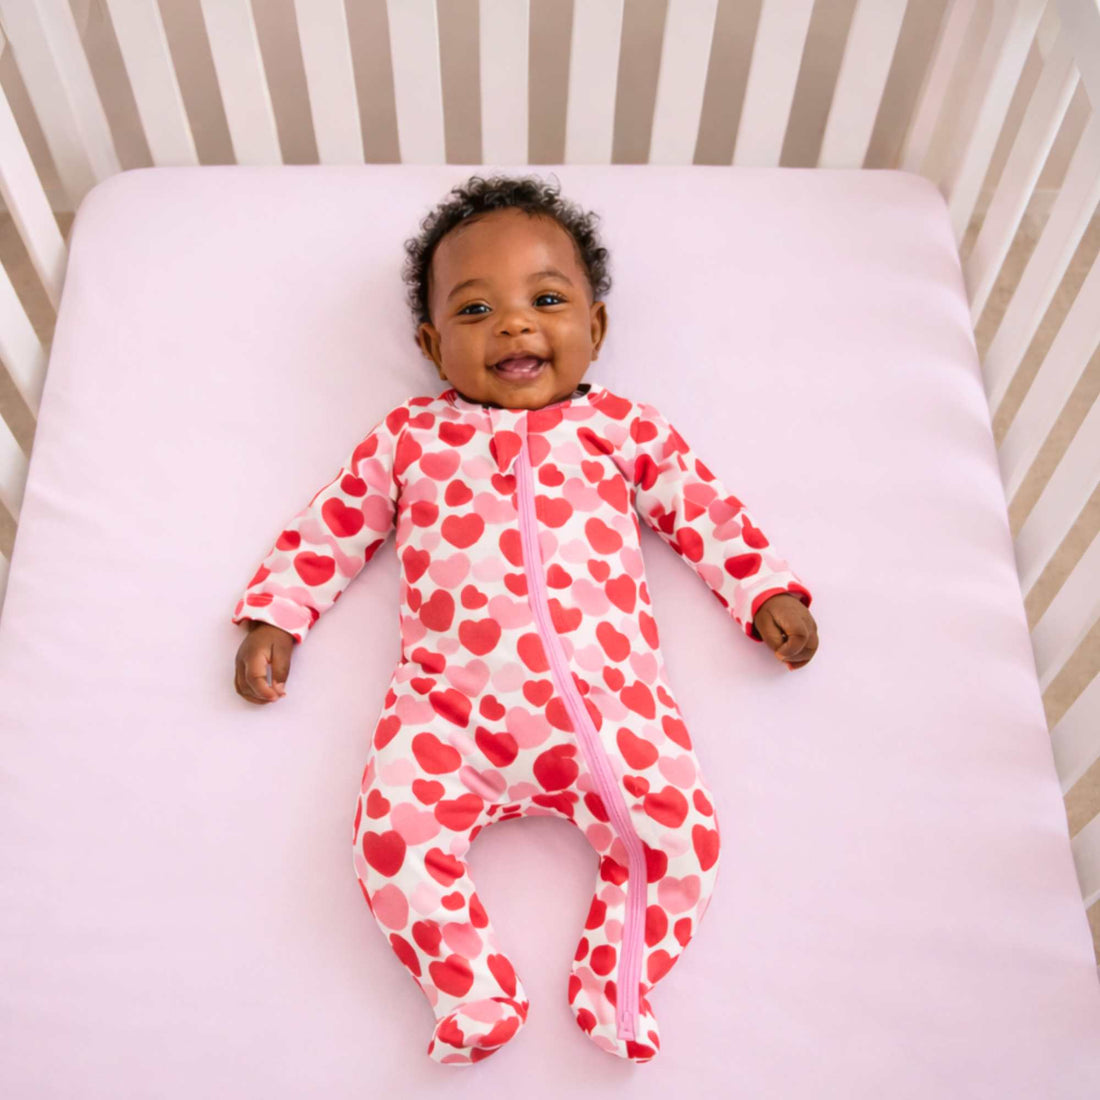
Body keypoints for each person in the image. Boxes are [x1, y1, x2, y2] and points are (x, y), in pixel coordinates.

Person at [231, 173, 818, 1065]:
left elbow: (703, 512)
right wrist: (277, 613)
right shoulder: (409, 439)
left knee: (679, 839)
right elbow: (334, 527)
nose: (513, 325)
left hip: (612, 709)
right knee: (391, 836)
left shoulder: (625, 430)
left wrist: (765, 589)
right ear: (431, 344)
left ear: (597, 328)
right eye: (475, 311)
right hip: (447, 711)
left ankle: (616, 986)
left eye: (546, 299)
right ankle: (467, 992)